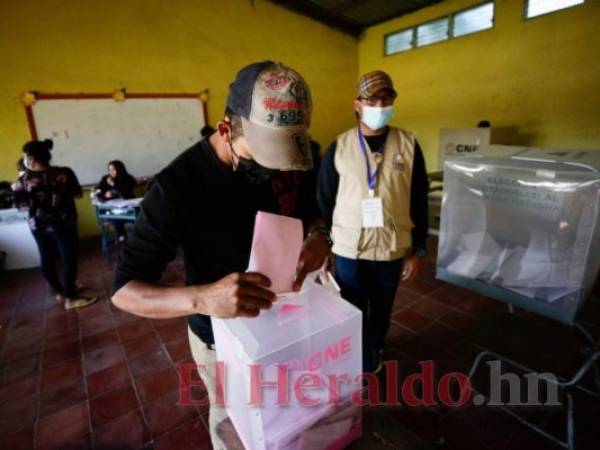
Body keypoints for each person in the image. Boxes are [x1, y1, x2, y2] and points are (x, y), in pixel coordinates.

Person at [111, 61, 330, 449]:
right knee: (235, 424)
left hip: (289, 320)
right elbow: (124, 290)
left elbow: (312, 209)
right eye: (262, 155)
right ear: (226, 129)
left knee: (289, 410)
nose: (273, 169)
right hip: (222, 338)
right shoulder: (178, 188)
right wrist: (203, 298)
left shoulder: (302, 152)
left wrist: (317, 235)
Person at [317, 70, 429, 373]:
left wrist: (417, 250)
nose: (380, 104)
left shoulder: (408, 145)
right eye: (372, 98)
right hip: (349, 250)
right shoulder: (338, 148)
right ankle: (357, 357)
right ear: (357, 104)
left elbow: (419, 198)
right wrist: (327, 248)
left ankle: (375, 347)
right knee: (350, 309)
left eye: (386, 97)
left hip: (392, 248)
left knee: (382, 308)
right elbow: (324, 202)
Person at [12, 139, 97, 309]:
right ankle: (71, 297)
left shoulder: (24, 180)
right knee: (68, 258)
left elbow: (20, 205)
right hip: (64, 223)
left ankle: (61, 291)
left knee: (46, 257)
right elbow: (77, 193)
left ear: (31, 158)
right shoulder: (64, 173)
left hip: (38, 225)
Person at [94, 160, 137, 242]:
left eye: (113, 169)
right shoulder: (105, 179)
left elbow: (126, 192)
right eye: (109, 170)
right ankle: (122, 238)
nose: (111, 172)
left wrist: (114, 184)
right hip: (113, 209)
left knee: (137, 217)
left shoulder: (128, 178)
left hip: (128, 207)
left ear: (120, 169)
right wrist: (105, 195)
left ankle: (137, 238)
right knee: (117, 217)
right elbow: (98, 193)